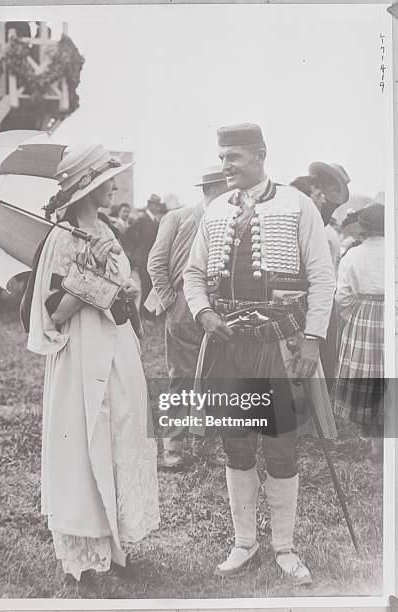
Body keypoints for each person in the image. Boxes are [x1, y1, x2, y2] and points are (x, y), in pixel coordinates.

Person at [184, 123, 336, 585]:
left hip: (279, 345)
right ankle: (244, 542)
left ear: (260, 155)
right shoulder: (212, 212)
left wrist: (312, 339)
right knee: (235, 442)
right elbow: (193, 274)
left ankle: (285, 546)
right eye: (222, 156)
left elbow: (322, 277)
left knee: (281, 443)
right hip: (229, 347)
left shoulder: (298, 204)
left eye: (233, 157)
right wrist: (204, 312)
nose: (225, 165)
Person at [26, 144, 159, 583]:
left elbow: (123, 289)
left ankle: (116, 547)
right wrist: (90, 269)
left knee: (120, 434)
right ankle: (85, 557)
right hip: (81, 350)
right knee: (86, 439)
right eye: (109, 181)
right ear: (90, 188)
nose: (116, 187)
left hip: (116, 346)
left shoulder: (107, 229)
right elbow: (55, 313)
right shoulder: (63, 238)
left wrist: (125, 289)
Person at [146, 166, 229, 469]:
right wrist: (171, 302)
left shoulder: (229, 218)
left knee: (217, 378)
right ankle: (173, 450)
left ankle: (209, 446)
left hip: (219, 310)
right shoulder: (178, 218)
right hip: (183, 309)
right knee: (181, 378)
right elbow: (155, 263)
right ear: (214, 188)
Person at [332, 204, 385, 462]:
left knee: (369, 379)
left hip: (363, 316)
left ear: (363, 228)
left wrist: (351, 316)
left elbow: (342, 297)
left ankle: (376, 443)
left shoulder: (352, 256)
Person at [290, 162, 350, 381]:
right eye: (319, 194)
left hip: (316, 299)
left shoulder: (321, 227)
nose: (324, 198)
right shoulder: (311, 221)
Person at [124, 194, 163, 316]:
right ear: (150, 205)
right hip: (144, 257)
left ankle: (149, 312)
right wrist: (137, 248)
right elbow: (128, 234)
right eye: (155, 205)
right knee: (145, 284)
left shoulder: (155, 220)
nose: (157, 208)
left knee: (151, 284)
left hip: (153, 257)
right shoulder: (142, 220)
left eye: (158, 205)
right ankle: (143, 314)